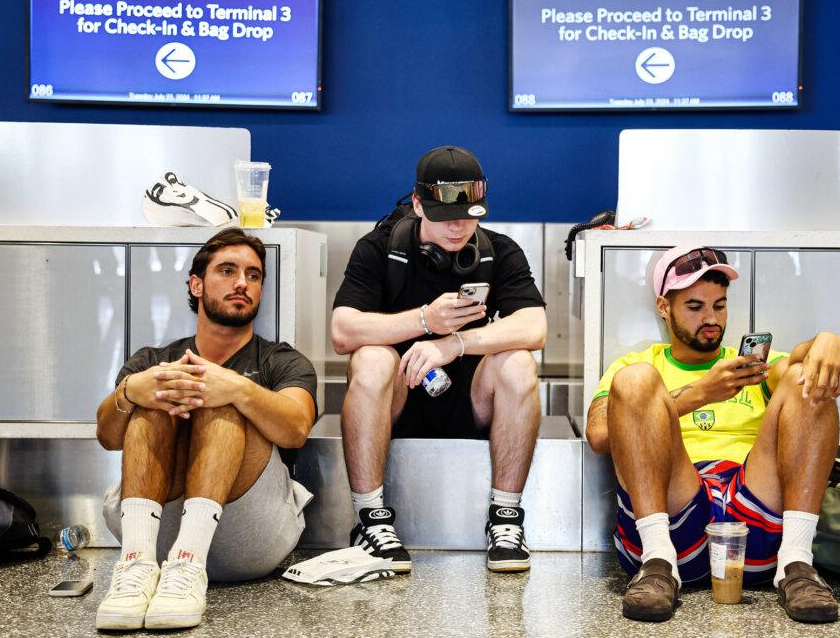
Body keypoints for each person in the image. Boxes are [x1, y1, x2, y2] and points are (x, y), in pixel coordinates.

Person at [585, 246, 840, 624]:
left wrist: (827, 340)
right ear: (664, 307)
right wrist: (699, 394)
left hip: (754, 524)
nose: (711, 318)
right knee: (636, 381)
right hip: (675, 520)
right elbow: (599, 435)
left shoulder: (750, 366)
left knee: (805, 379)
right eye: (695, 307)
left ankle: (797, 565)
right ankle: (658, 564)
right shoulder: (636, 364)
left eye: (719, 306)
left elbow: (800, 362)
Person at [332, 145, 547, 573]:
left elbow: (534, 327)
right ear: (417, 204)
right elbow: (343, 331)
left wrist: (454, 344)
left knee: (519, 361)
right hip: (395, 401)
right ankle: (371, 520)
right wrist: (425, 321)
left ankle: (505, 519)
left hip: (471, 403)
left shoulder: (499, 252)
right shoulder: (379, 249)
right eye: (444, 216)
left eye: (469, 216)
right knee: (372, 358)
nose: (457, 228)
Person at [94, 228, 317, 631]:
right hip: (154, 532)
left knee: (223, 400)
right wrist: (130, 391)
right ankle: (134, 568)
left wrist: (237, 388)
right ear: (197, 285)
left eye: (253, 275)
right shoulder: (153, 358)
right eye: (228, 271)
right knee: (156, 392)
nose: (241, 284)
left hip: (249, 533)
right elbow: (109, 437)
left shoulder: (281, 360)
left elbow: (297, 429)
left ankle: (190, 561)